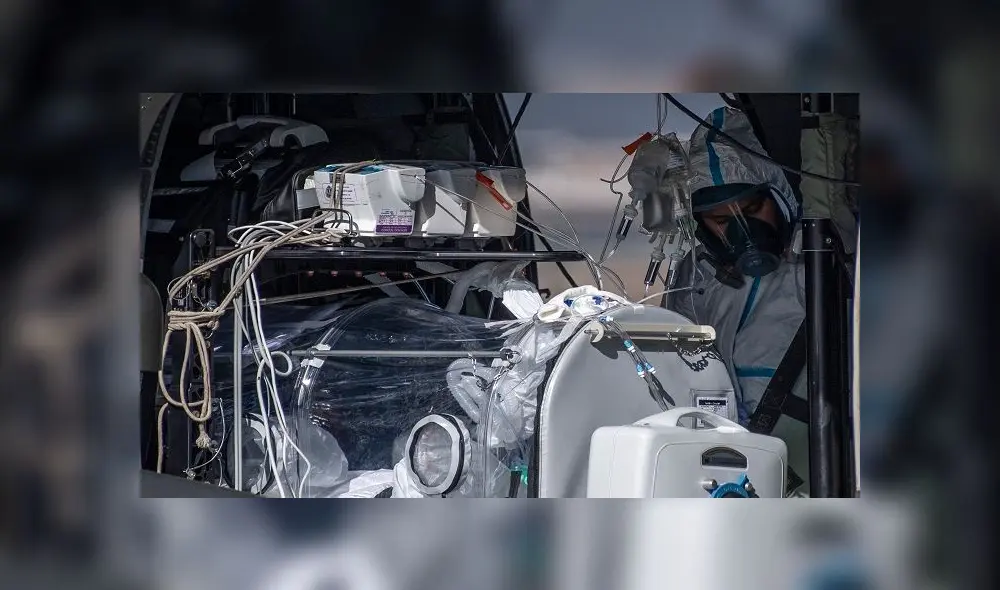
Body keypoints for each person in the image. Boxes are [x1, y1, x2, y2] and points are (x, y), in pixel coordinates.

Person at [669, 106, 810, 496]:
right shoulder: (697, 274)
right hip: (727, 467)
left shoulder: (818, 264)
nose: (744, 231)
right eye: (721, 219)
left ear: (778, 197)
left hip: (809, 462)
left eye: (751, 210)